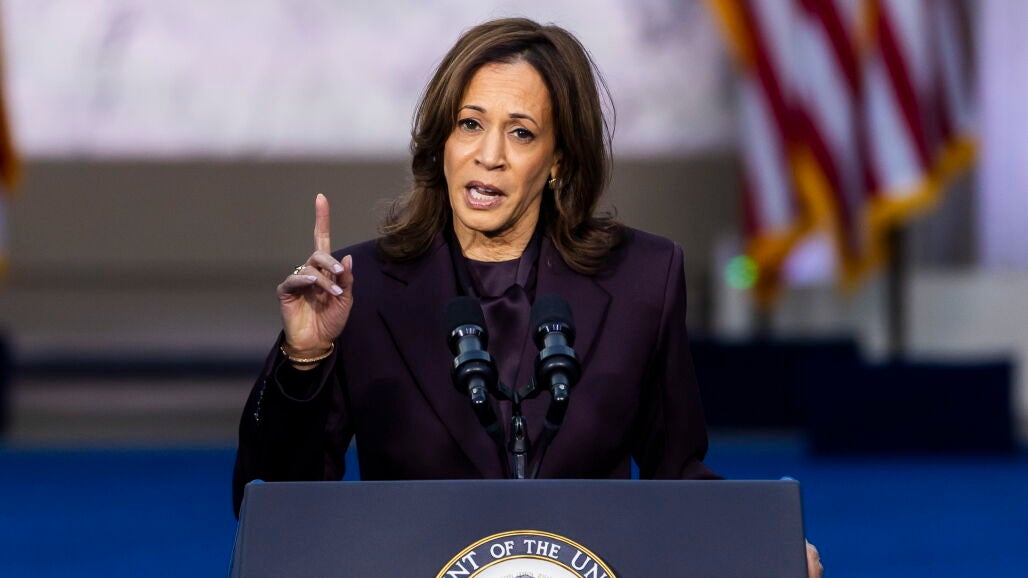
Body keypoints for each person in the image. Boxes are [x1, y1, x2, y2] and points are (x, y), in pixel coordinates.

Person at [232, 17, 822, 577]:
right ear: (442, 140)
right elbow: (276, 507)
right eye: (470, 124)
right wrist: (304, 358)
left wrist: (763, 547)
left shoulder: (641, 280)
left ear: (558, 159)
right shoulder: (363, 288)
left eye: (521, 132)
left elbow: (678, 476)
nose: (489, 155)